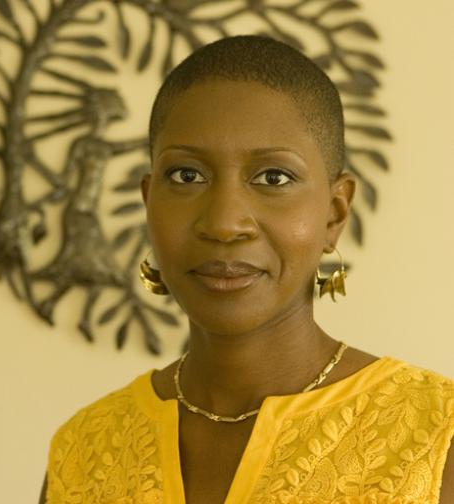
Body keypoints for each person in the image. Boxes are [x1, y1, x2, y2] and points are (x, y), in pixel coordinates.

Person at [38, 35, 454, 503]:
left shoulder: (437, 438)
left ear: (334, 214)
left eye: (273, 177)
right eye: (186, 176)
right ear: (148, 201)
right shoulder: (82, 451)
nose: (224, 224)